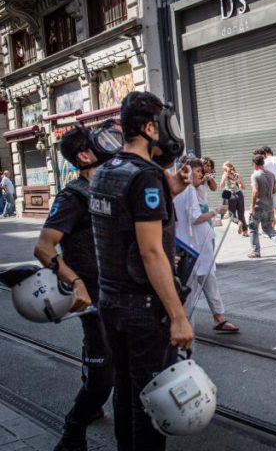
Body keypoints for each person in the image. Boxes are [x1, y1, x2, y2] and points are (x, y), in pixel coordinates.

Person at [89, 91, 194, 450]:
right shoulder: (146, 177)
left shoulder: (106, 171)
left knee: (126, 393)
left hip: (110, 301)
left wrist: (171, 190)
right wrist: (178, 316)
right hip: (142, 309)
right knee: (151, 400)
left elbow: (127, 222)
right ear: (151, 128)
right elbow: (151, 253)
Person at [33, 126, 117, 451]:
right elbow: (43, 247)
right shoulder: (73, 196)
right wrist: (76, 282)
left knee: (114, 364)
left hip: (117, 293)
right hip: (92, 297)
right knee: (102, 379)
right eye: (101, 142)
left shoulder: (112, 188)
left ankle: (93, 400)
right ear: (85, 155)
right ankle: (72, 431)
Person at [173, 158, 238, 332]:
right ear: (186, 171)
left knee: (207, 279)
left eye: (202, 172)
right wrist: (215, 211)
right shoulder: (187, 190)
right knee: (192, 284)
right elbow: (195, 217)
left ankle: (218, 317)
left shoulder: (179, 189)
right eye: (198, 171)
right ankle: (186, 323)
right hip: (191, 244)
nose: (201, 175)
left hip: (193, 241)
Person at [249, 154, 276, 257]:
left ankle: (255, 251)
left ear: (254, 164)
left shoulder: (255, 175)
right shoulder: (271, 175)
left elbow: (255, 191)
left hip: (258, 206)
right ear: (263, 162)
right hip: (269, 206)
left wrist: (252, 206)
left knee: (253, 229)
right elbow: (273, 190)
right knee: (268, 228)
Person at [220, 161, 248, 236]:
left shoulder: (225, 175)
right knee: (241, 214)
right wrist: (240, 185)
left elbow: (221, 186)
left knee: (231, 215)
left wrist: (225, 178)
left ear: (225, 169)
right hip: (239, 194)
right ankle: (245, 232)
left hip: (230, 195)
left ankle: (239, 222)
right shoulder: (237, 175)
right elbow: (244, 187)